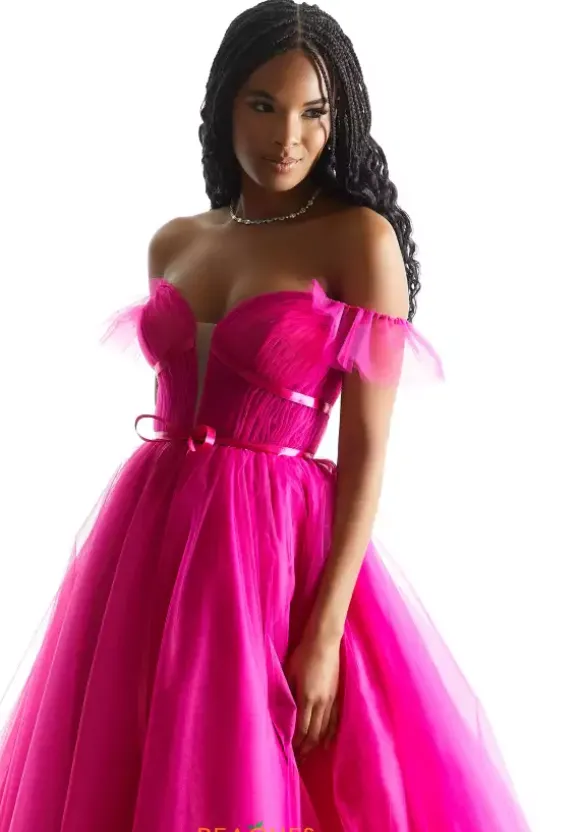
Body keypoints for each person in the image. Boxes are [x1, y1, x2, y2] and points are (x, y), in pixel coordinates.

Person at [0, 1, 531, 830]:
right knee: (132, 765)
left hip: (270, 552)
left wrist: (324, 631)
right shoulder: (175, 241)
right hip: (148, 540)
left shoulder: (358, 241)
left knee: (248, 768)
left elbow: (367, 456)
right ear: (223, 106)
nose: (289, 136)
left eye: (314, 113)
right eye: (263, 105)